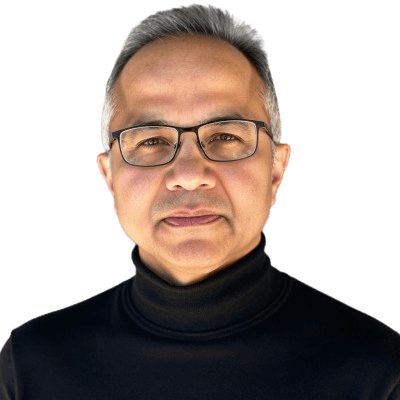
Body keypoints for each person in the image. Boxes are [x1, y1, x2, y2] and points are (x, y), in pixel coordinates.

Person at [1, 4, 399, 399]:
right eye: (151, 140)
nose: (190, 174)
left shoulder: (378, 371)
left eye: (225, 136)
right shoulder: (32, 364)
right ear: (110, 178)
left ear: (276, 170)